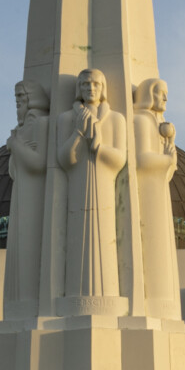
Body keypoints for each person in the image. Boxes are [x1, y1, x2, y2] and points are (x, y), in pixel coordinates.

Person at [57, 68, 126, 298]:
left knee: (106, 239)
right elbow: (64, 159)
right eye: (85, 84)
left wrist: (99, 148)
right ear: (79, 88)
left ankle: (106, 294)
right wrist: (78, 133)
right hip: (77, 186)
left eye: (96, 84)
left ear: (103, 88)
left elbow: (120, 158)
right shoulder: (67, 119)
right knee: (77, 241)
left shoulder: (115, 119)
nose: (91, 88)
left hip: (105, 185)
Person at [133, 78, 181, 316]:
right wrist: (166, 159)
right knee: (151, 241)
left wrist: (169, 150)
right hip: (148, 193)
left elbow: (169, 165)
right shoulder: (141, 121)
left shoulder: (158, 124)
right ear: (149, 94)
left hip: (159, 190)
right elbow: (141, 159)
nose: (165, 98)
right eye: (161, 92)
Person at [4, 79, 50, 308]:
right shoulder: (23, 131)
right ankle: (22, 301)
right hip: (22, 192)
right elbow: (14, 170)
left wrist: (15, 145)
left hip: (34, 195)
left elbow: (39, 163)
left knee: (29, 242)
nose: (18, 105)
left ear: (32, 100)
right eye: (16, 100)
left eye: (21, 99)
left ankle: (28, 300)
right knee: (20, 245)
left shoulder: (41, 124)